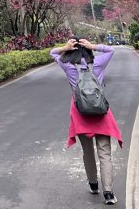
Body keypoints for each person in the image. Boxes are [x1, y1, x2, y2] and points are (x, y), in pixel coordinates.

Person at [50, 37, 123, 205]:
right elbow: (111, 50)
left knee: (88, 151)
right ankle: (109, 193)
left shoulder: (68, 66)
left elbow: (52, 52)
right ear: (88, 49)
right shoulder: (97, 63)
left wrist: (65, 47)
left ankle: (93, 184)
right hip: (101, 113)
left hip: (80, 114)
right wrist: (93, 46)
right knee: (105, 154)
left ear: (71, 51)